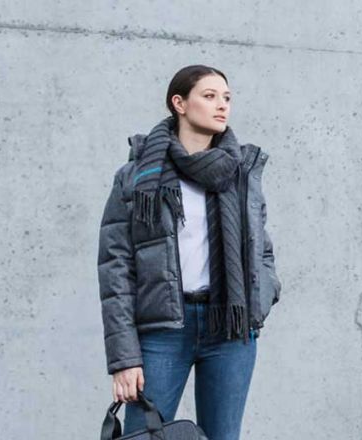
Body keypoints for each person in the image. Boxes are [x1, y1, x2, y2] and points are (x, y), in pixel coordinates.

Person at [97, 64, 281, 440]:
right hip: (164, 331)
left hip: (229, 330)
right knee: (144, 436)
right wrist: (124, 359)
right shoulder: (136, 177)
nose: (222, 106)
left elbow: (262, 249)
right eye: (209, 96)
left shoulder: (241, 174)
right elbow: (115, 270)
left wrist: (259, 299)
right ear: (179, 103)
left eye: (226, 98)